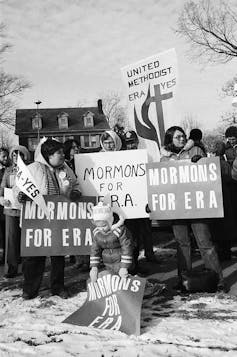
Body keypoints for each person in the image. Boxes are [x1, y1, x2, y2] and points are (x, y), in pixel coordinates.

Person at [160, 126, 224, 291]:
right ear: (170, 140)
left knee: (205, 243)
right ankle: (184, 280)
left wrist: (200, 161)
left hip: (197, 205)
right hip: (177, 207)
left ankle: (217, 280)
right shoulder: (164, 159)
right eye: (177, 137)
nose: (181, 139)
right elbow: (160, 183)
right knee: (182, 244)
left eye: (183, 136)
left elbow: (208, 173)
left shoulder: (195, 149)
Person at [19, 138, 81, 299]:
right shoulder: (33, 169)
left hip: (58, 218)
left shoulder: (65, 168)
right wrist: (21, 196)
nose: (62, 155)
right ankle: (30, 289)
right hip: (36, 219)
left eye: (62, 152)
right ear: (48, 155)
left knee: (58, 254)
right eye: (58, 153)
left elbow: (75, 185)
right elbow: (17, 189)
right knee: (34, 256)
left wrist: (74, 193)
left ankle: (58, 286)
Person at [124, 130, 159, 272]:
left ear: (137, 142)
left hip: (143, 199)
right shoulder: (121, 157)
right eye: (128, 143)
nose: (131, 145)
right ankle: (133, 263)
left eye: (132, 142)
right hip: (128, 202)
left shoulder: (144, 156)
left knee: (146, 230)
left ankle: (149, 254)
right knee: (132, 235)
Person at [0, 145, 30, 278]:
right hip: (11, 210)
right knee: (11, 240)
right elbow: (2, 188)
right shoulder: (8, 171)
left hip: (27, 210)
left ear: (25, 156)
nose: (16, 157)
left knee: (26, 240)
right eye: (14, 155)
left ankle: (27, 268)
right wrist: (1, 199)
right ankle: (10, 269)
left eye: (20, 154)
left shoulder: (30, 170)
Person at [89, 201, 134, 282]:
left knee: (126, 281)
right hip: (108, 262)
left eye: (104, 225)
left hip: (122, 261)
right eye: (98, 226)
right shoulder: (97, 233)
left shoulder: (120, 230)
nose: (101, 229)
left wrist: (124, 267)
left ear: (110, 221)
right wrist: (94, 268)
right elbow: (95, 250)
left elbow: (127, 247)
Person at [0, 147, 9, 265]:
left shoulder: (9, 169)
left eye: (7, 156)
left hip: (7, 204)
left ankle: (7, 257)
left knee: (6, 233)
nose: (6, 158)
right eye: (3, 156)